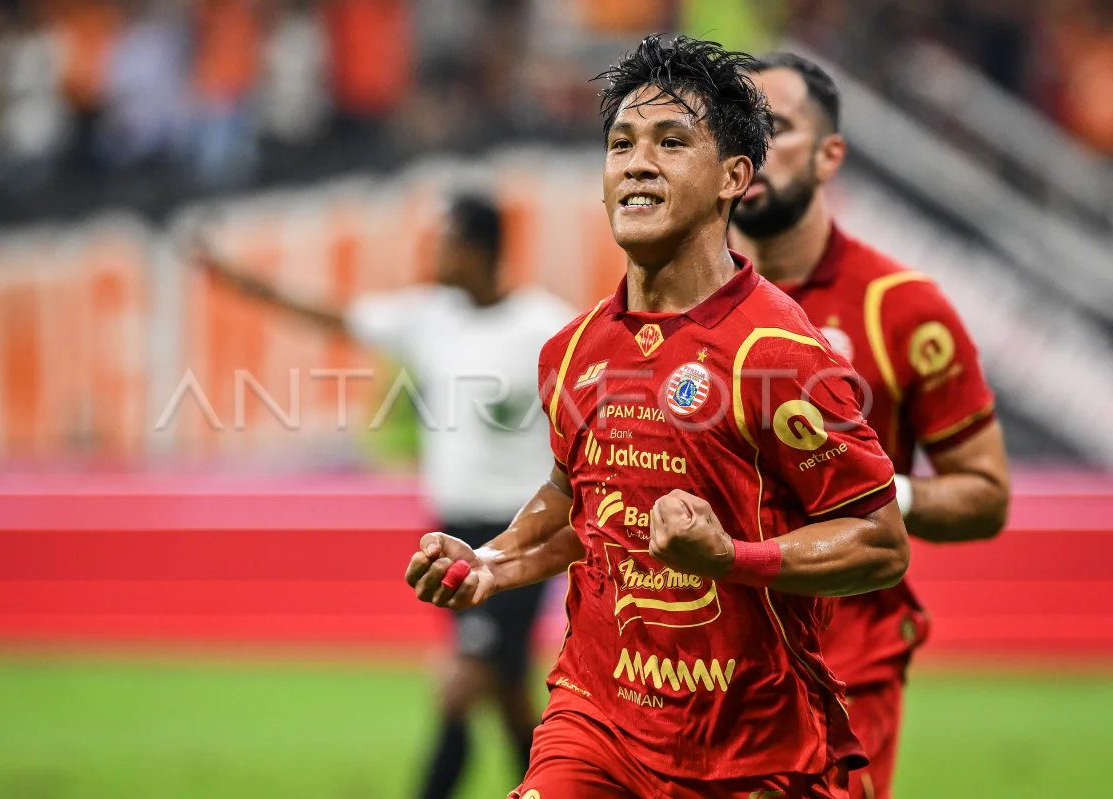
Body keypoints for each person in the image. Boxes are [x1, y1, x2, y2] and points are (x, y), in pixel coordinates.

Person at [405, 35, 911, 799]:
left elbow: (879, 541)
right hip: (597, 720)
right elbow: (578, 499)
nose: (637, 163)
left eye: (671, 142)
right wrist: (493, 562)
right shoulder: (573, 350)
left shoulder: (778, 355)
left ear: (733, 178)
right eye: (622, 144)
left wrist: (731, 557)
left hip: (749, 744)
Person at [193, 194, 576, 799]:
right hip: (452, 530)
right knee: (505, 690)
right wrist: (238, 280)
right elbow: (336, 317)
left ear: (478, 249)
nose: (434, 253)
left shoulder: (547, 328)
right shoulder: (430, 318)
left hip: (517, 535)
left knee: (459, 686)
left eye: (446, 241)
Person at [730, 53, 1011, 799]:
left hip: (844, 661)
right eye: (737, 128)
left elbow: (986, 495)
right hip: (707, 657)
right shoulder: (677, 306)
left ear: (830, 156)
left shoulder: (900, 307)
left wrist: (880, 495)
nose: (752, 148)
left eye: (776, 128)